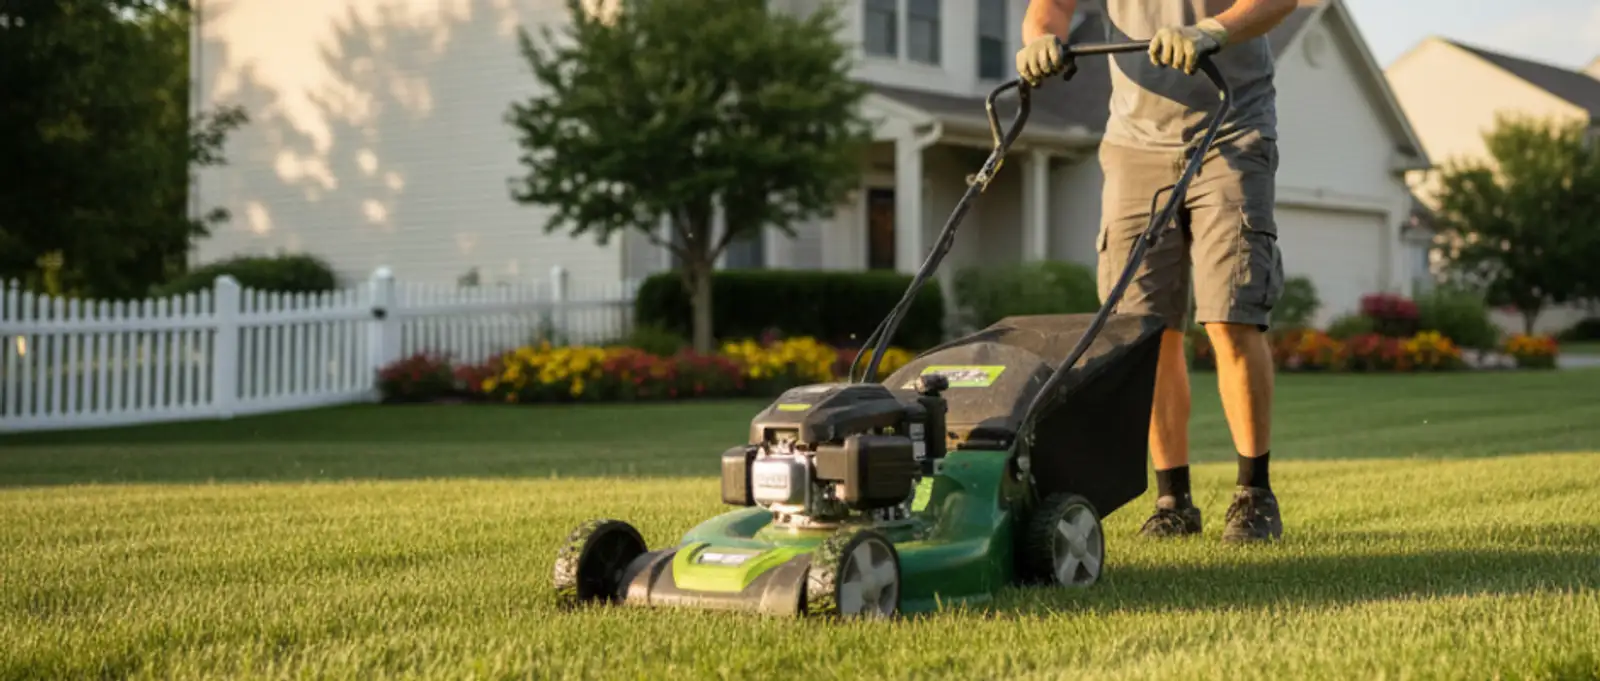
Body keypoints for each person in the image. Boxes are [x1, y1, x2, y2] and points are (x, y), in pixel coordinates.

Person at [1016, 0, 1298, 543]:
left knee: (1231, 315)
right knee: (1143, 332)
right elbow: (1050, 7)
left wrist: (1211, 31)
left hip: (1231, 128)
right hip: (1134, 144)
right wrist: (1040, 39)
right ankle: (1173, 500)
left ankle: (1253, 493)